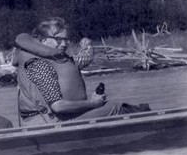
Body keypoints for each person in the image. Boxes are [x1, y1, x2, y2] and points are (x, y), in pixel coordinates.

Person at [13, 17, 150, 126]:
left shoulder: (56, 58)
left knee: (119, 108)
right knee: (116, 107)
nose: (65, 44)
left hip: (57, 119)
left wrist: (88, 47)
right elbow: (58, 106)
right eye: (59, 39)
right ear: (43, 40)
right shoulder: (38, 64)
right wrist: (92, 103)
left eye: (66, 39)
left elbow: (80, 60)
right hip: (47, 124)